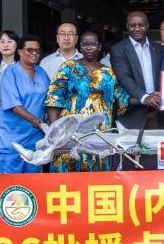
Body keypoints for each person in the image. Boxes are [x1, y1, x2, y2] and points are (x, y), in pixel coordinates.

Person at [45, 30, 132, 171]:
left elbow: (121, 98)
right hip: (71, 132)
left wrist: (145, 98)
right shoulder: (68, 67)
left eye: (93, 44)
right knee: (67, 171)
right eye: (85, 44)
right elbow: (54, 97)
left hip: (100, 134)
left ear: (100, 46)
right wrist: (56, 131)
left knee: (96, 174)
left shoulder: (109, 73)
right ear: (80, 47)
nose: (89, 48)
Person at [0, 35, 50, 173]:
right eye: (30, 50)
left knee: (32, 183)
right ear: (20, 52)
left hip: (34, 138)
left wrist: (49, 122)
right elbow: (13, 105)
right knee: (9, 183)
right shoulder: (10, 72)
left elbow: (50, 99)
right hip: (10, 136)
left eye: (37, 51)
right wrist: (36, 120)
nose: (34, 53)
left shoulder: (41, 72)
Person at [109, 11, 163, 130]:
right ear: (127, 26)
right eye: (133, 25)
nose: (137, 29)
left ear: (147, 26)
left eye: (141, 25)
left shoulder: (160, 49)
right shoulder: (117, 50)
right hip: (132, 115)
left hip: (157, 111)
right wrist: (145, 97)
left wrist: (161, 93)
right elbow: (124, 77)